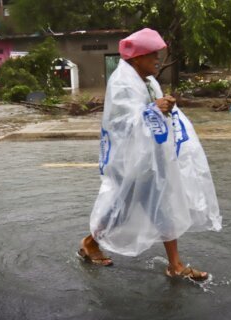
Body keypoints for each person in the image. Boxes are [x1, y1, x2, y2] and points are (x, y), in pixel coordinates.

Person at [78, 28, 222, 281]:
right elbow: (121, 123)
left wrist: (163, 107)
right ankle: (90, 243)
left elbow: (150, 114)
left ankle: (175, 265)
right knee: (120, 209)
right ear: (137, 58)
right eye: (153, 55)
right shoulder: (122, 82)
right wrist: (154, 108)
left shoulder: (148, 81)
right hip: (129, 160)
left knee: (163, 207)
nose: (157, 60)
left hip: (151, 158)